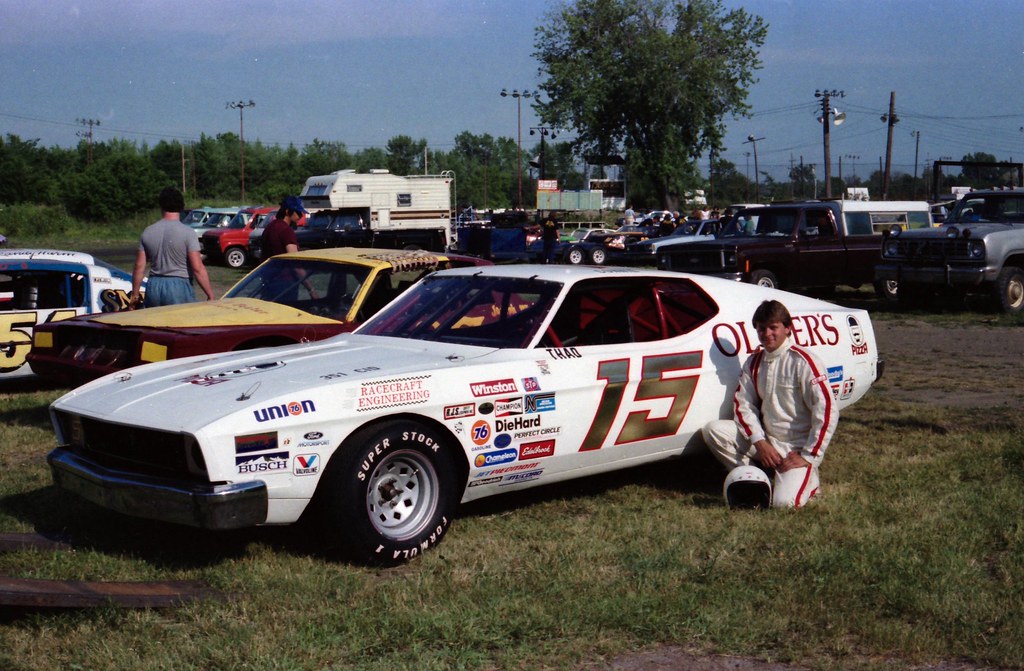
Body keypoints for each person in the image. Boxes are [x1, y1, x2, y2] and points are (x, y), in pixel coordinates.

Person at [702, 299, 838, 508]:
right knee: (714, 431)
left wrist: (809, 455)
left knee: (784, 504)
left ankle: (809, 480)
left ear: (787, 328)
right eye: (761, 329)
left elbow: (827, 410)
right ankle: (758, 478)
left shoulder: (803, 361)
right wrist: (760, 441)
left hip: (796, 448)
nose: (767, 334)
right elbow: (743, 405)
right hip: (767, 442)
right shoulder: (754, 362)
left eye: (773, 327)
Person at [130, 186, 214, 309]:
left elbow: (139, 267)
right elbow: (197, 268)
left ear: (161, 206)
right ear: (181, 207)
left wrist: (135, 296)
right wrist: (210, 294)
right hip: (179, 286)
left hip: (154, 286)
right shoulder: (188, 233)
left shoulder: (148, 232)